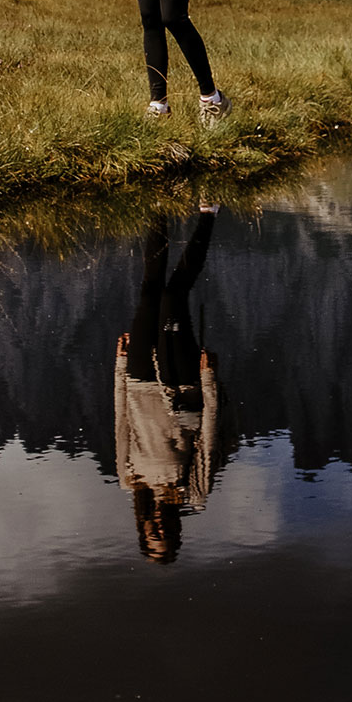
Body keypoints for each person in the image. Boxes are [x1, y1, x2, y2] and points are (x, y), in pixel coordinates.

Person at [114, 210, 230, 563]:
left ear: (143, 530)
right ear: (177, 533)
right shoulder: (193, 494)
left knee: (150, 292)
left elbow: (121, 424)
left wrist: (120, 368)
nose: (159, 531)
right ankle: (208, 214)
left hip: (137, 382)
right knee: (172, 296)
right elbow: (208, 440)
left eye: (153, 537)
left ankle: (158, 208)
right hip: (178, 387)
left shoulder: (128, 480)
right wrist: (208, 381)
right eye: (165, 538)